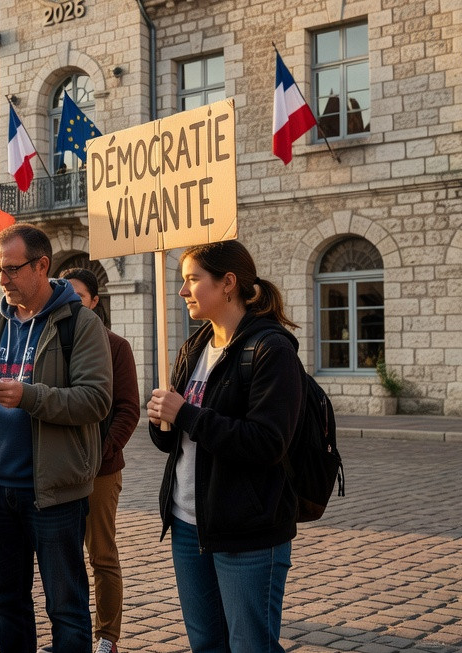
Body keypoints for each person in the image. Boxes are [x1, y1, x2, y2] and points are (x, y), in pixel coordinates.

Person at [0, 223, 112, 653]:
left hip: (52, 492)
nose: (1, 280)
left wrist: (29, 396)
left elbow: (95, 400)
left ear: (41, 266)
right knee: (6, 603)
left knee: (66, 608)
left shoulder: (81, 323)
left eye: (11, 270)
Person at [147, 240, 303, 653]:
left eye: (193, 280)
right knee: (207, 643)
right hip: (186, 523)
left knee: (251, 645)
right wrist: (162, 421)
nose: (183, 291)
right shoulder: (194, 346)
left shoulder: (272, 349)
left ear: (228, 283)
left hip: (247, 529)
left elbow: (267, 443)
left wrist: (186, 415)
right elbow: (172, 442)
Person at [62, 268, 140, 653]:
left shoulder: (115, 345)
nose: (70, 301)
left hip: (101, 470)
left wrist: (101, 453)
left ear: (94, 300)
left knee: (102, 554)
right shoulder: (54, 341)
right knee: (62, 555)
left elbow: (128, 409)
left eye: (77, 295)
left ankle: (106, 635)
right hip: (58, 469)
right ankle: (71, 634)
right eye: (64, 294)